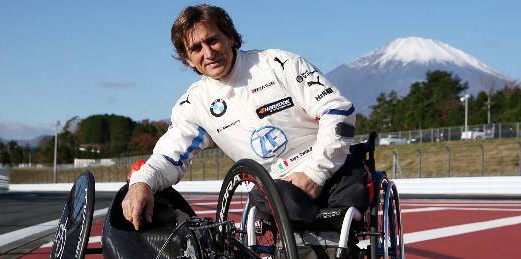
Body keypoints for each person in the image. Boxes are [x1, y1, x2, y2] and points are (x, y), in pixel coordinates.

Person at [122, 4, 369, 230]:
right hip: (277, 190)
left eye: (213, 40)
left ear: (230, 37)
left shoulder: (277, 64)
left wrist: (316, 173)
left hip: (330, 168)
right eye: (196, 48)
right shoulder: (193, 104)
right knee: (274, 198)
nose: (208, 53)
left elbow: (338, 111)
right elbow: (168, 158)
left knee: (353, 183)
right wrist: (141, 183)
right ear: (188, 60)